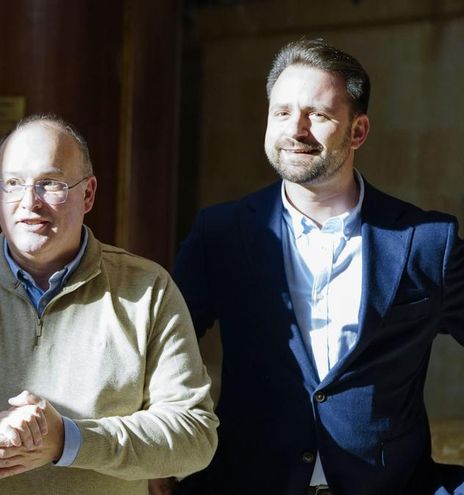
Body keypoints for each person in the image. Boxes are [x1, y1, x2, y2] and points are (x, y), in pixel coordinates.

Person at [173, 39, 464, 495]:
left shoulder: (427, 242)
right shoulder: (222, 234)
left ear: (358, 131)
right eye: (282, 112)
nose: (296, 129)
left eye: (319, 115)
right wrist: (157, 455)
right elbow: (163, 345)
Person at [0, 115, 218, 494]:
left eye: (50, 184)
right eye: (13, 184)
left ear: (88, 194)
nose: (29, 203)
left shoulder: (148, 290)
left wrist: (68, 441)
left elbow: (194, 436)